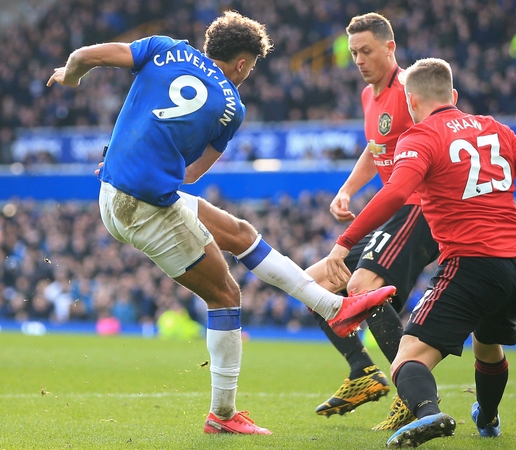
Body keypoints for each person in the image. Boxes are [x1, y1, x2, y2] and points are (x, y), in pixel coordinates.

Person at [46, 11, 395, 436]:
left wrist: (70, 77)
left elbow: (85, 55)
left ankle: (332, 308)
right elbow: (192, 174)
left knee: (241, 233)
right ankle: (223, 415)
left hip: (116, 191)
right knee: (226, 295)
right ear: (243, 63)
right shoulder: (231, 107)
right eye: (252, 67)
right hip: (145, 206)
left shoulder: (164, 48)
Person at [324, 58, 516, 447]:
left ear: (411, 101)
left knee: (407, 357)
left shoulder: (420, 137)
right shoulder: (496, 129)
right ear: (454, 96)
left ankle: (428, 413)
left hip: (470, 265)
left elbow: (394, 193)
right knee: (488, 344)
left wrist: (344, 242)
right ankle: (488, 418)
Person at [303, 12, 441, 430]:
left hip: (419, 208)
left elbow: (445, 134)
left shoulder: (410, 90)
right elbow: (374, 147)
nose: (359, 60)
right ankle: (362, 371)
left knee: (362, 286)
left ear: (389, 47)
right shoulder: (369, 97)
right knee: (312, 285)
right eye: (353, 53)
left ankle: (412, 395)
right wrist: (347, 190)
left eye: (366, 51)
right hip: (392, 213)